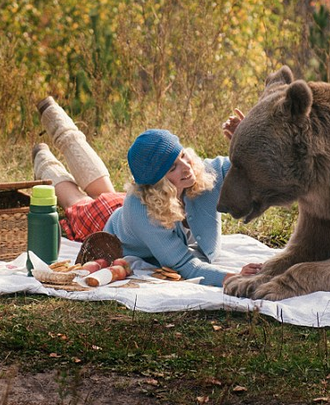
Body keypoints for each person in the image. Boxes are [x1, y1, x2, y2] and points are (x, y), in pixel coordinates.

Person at [32, 97, 261, 287]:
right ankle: (43, 159)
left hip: (130, 206)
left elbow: (248, 169)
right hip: (108, 224)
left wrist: (245, 139)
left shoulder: (201, 172)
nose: (187, 167)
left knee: (100, 186)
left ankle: (53, 114)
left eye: (182, 155)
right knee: (77, 200)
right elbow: (184, 265)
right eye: (173, 167)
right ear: (157, 184)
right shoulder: (142, 210)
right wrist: (232, 278)